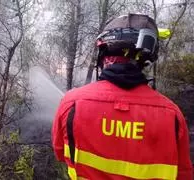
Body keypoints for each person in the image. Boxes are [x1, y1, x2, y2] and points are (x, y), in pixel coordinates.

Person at [52, 13, 193, 180]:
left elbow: (60, 153)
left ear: (104, 55)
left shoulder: (71, 103)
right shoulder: (172, 115)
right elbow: (183, 174)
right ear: (146, 60)